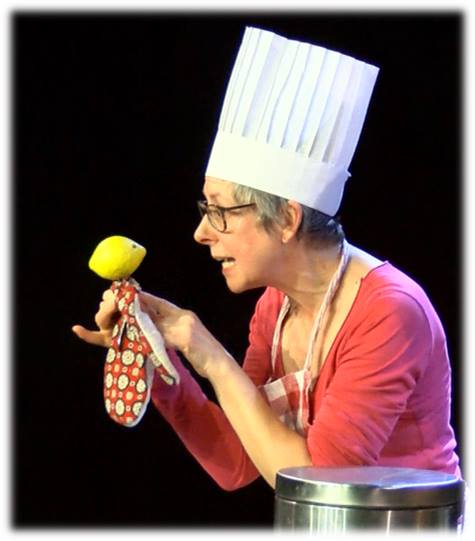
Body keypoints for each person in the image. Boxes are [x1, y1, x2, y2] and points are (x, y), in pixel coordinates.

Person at [73, 27, 461, 490]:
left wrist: (212, 357)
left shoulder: (389, 313)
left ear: (287, 220)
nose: (201, 233)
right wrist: (153, 354)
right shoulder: (275, 308)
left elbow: (321, 484)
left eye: (220, 211)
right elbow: (237, 460)